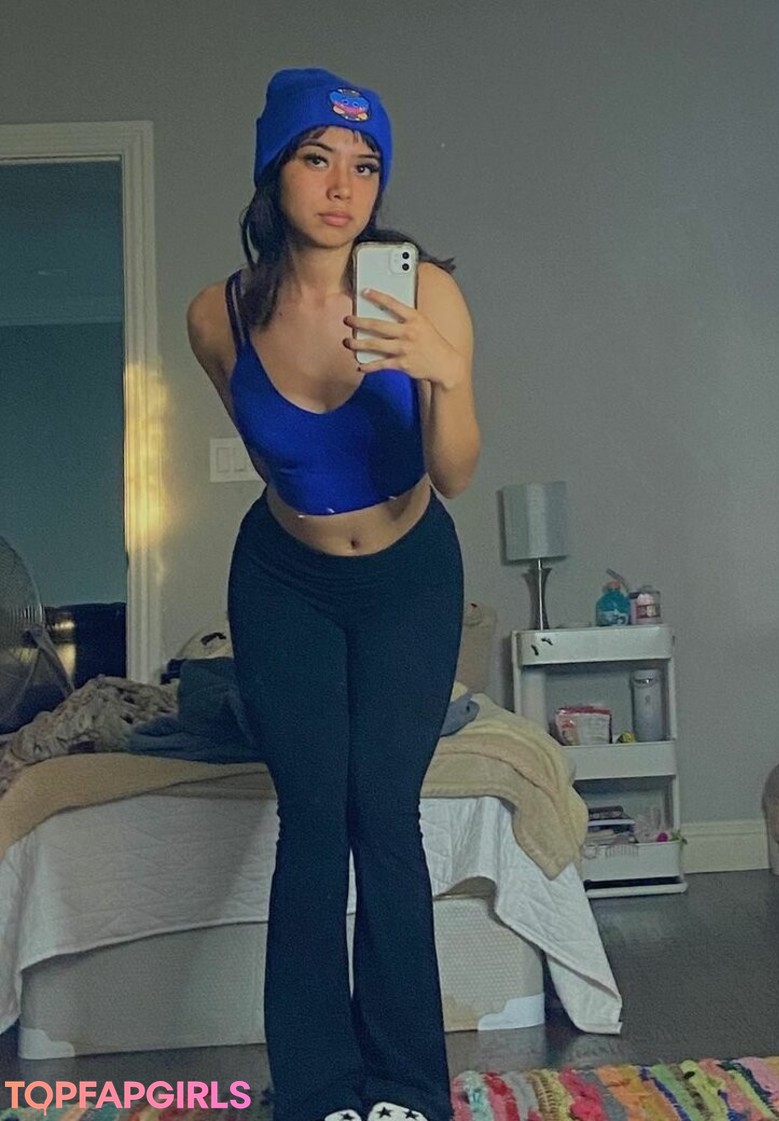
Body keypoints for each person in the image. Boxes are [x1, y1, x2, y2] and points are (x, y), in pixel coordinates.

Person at [186, 67, 480, 1121]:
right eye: (318, 157)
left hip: (409, 576)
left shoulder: (425, 292)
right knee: (312, 819)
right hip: (286, 580)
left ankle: (408, 1088)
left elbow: (455, 472)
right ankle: (317, 1092)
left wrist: (443, 371)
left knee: (382, 815)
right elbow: (279, 451)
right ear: (276, 170)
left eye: (365, 165)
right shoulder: (217, 315)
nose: (343, 185)